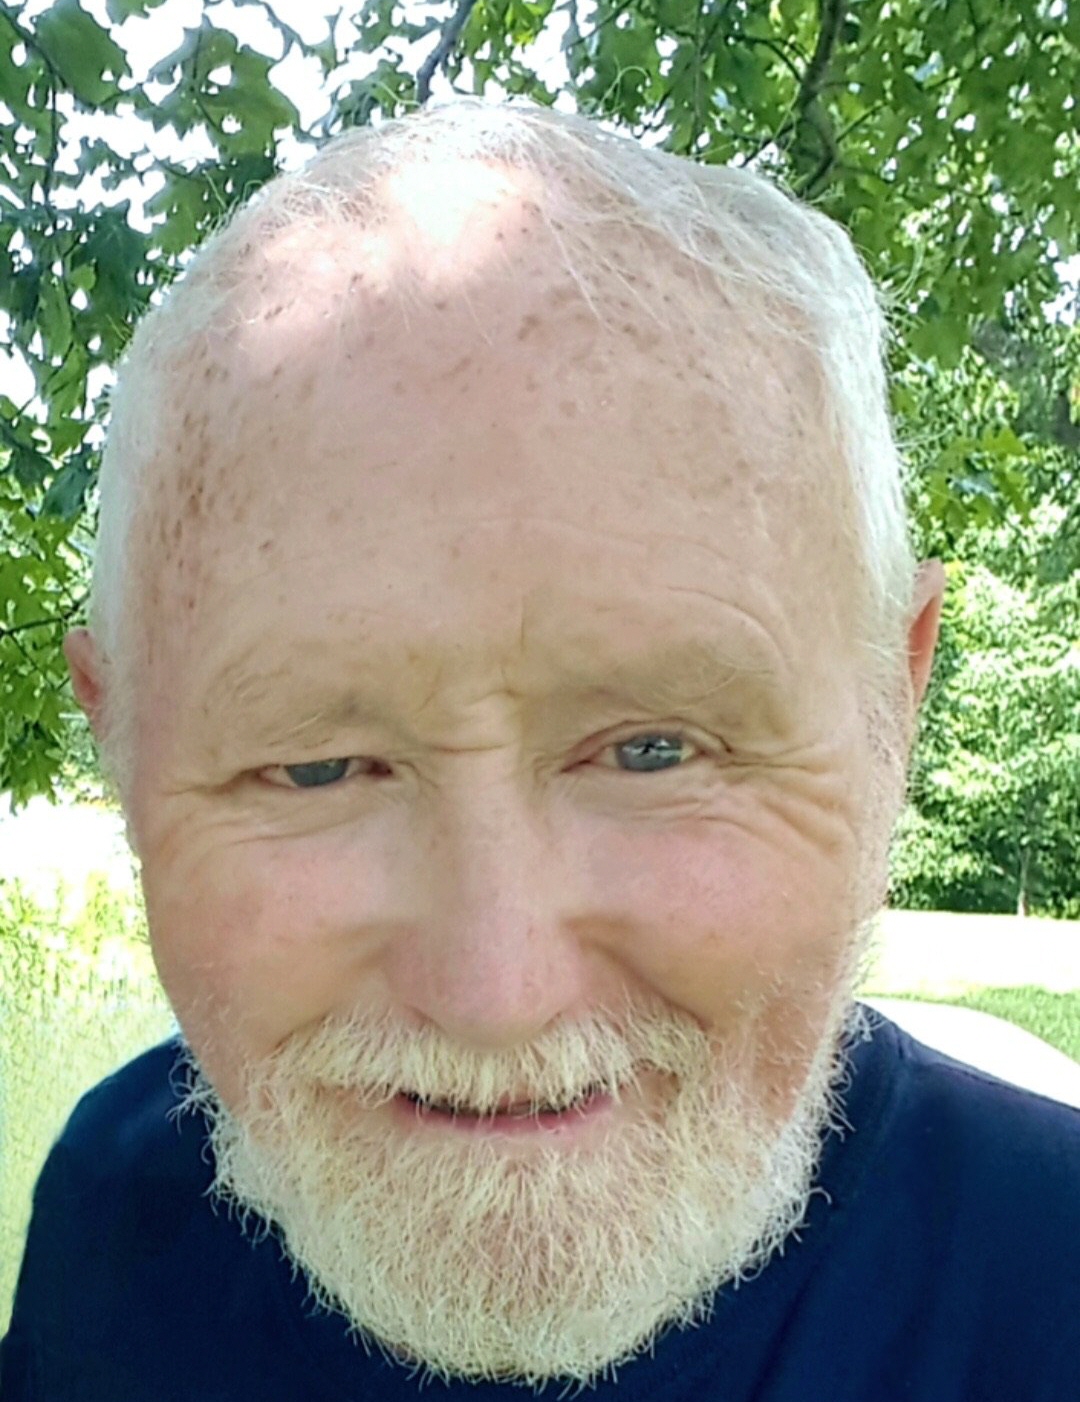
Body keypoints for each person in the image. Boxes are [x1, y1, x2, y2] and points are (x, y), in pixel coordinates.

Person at [1, 98, 1077, 1402]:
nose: (495, 990)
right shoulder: (109, 1224)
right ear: (120, 750)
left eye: (655, 749)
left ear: (890, 710)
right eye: (318, 767)